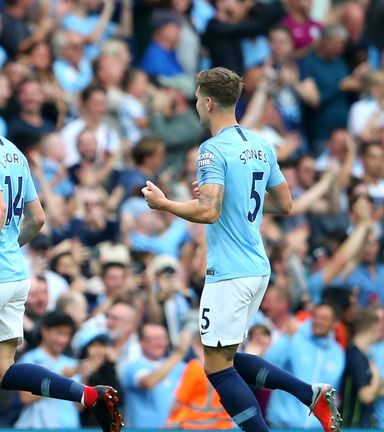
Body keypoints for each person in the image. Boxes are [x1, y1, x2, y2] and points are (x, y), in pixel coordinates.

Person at [141, 67, 340, 432]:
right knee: (226, 359)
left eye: (198, 99)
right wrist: (231, 200)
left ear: (209, 101)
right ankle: (309, 393)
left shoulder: (211, 149)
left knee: (216, 369)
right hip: (257, 268)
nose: (196, 106)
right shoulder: (260, 144)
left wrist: (165, 203)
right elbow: (284, 203)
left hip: (228, 272)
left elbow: (208, 210)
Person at [0, 77, 122, 432]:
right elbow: (38, 217)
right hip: (14, 275)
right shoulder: (13, 151)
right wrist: (5, 251)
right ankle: (89, 395)